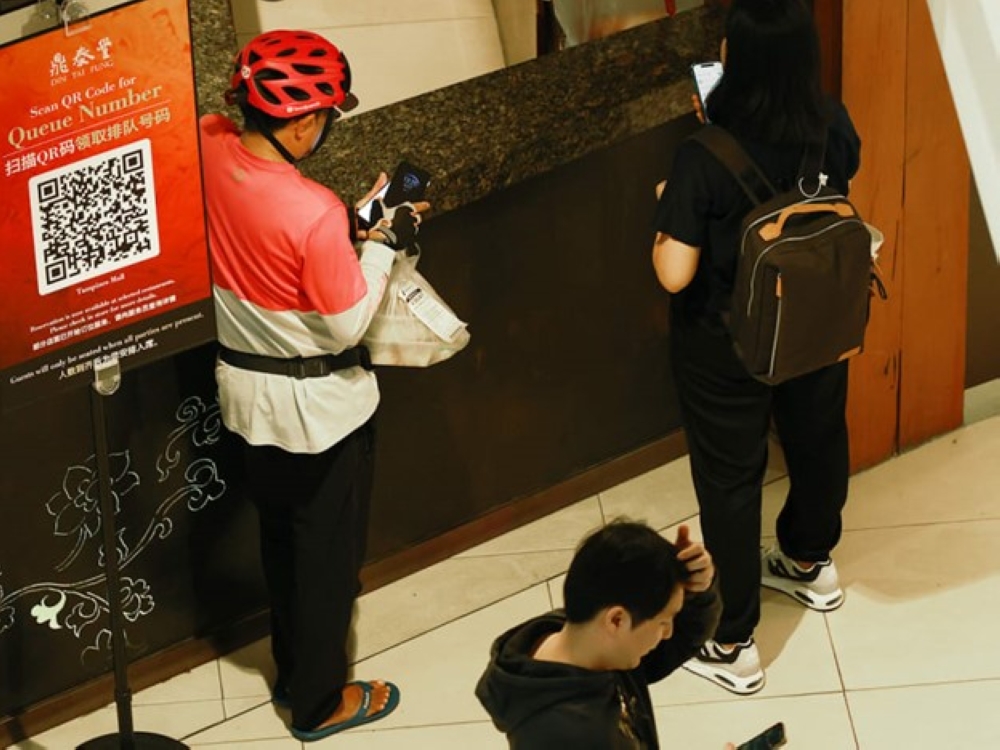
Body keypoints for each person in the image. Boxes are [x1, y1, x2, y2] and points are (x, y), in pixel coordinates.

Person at [199, 30, 426, 742]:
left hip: (246, 398)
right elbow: (345, 325)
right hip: (321, 414)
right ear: (301, 121)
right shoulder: (313, 211)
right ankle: (319, 703)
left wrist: (343, 237)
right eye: (325, 116)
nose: (324, 129)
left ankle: (293, 666)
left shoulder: (207, 148)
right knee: (327, 565)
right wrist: (380, 245)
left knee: (281, 545)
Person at [651, 0, 861, 695]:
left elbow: (674, 270)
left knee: (730, 481)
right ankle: (808, 558)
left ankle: (733, 639)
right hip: (818, 318)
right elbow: (831, 184)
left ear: (732, 62)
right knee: (818, 435)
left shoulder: (702, 153)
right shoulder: (831, 121)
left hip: (727, 343)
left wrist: (669, 203)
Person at [476, 520, 722, 749]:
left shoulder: (586, 638)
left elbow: (673, 646)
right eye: (663, 622)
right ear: (616, 620)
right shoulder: (568, 737)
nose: (668, 633)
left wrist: (699, 590)